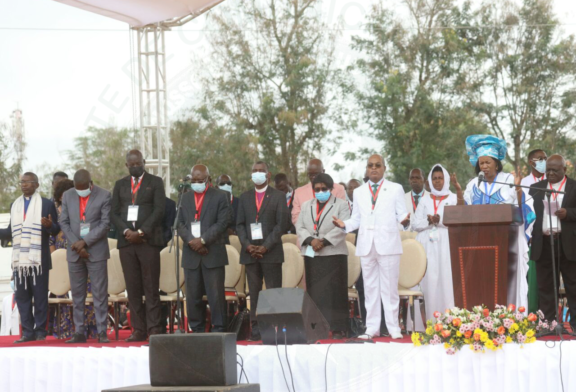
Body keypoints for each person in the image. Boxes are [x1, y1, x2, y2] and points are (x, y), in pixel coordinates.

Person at [333, 155, 409, 340]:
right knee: (370, 288)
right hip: (367, 244)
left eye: (377, 165)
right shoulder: (359, 192)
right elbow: (357, 219)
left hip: (388, 244)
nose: (373, 168)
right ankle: (372, 328)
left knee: (389, 288)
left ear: (384, 168)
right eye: (370, 166)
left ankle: (393, 328)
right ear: (367, 169)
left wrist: (405, 221)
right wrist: (344, 225)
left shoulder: (395, 189)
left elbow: (402, 214)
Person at [453, 134, 534, 309]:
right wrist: (459, 192)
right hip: (478, 244)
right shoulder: (474, 184)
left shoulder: (509, 181)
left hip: (507, 243)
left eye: (487, 162)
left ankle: (512, 315)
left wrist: (519, 190)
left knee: (506, 281)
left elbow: (524, 211)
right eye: (481, 163)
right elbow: (463, 212)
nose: (484, 166)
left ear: (496, 163)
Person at [110, 149, 166, 341]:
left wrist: (141, 232)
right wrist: (127, 232)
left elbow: (160, 210)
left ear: (144, 162)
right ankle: (138, 330)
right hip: (126, 244)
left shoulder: (155, 182)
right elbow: (114, 213)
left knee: (151, 287)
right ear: (127, 165)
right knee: (132, 288)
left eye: (138, 163)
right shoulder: (119, 185)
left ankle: (154, 328)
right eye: (131, 164)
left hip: (148, 242)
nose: (135, 167)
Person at [0, 172, 60, 343]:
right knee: (22, 297)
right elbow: (11, 232)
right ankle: (27, 332)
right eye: (22, 182)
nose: (24, 185)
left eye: (27, 182)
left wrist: (50, 226)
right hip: (20, 262)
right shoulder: (15, 205)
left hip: (38, 260)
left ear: (36, 185)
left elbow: (56, 229)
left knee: (40, 297)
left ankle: (40, 331)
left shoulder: (46, 204)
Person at [236, 161, 288, 341]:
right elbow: (239, 225)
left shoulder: (278, 196)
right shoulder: (244, 197)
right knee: (254, 293)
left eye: (261, 171)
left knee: (273, 292)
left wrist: (265, 246)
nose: (257, 174)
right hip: (250, 253)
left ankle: (276, 329)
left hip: (271, 252)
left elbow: (282, 224)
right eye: (254, 171)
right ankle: (256, 329)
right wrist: (248, 246)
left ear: (268, 175)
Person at [59, 169, 111, 344]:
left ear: (91, 183)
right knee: (77, 294)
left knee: (99, 293)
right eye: (77, 187)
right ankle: (79, 332)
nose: (80, 190)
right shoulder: (67, 195)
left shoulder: (104, 195)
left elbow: (105, 224)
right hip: (75, 252)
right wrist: (77, 243)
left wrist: (85, 242)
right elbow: (63, 222)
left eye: (84, 187)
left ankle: (102, 331)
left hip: (95, 251)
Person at [296, 173, 350, 338]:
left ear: (331, 189)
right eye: (317, 189)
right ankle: (316, 327)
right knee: (315, 291)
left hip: (334, 253)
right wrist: (312, 241)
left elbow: (343, 227)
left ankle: (339, 328)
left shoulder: (341, 205)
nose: (320, 192)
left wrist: (324, 242)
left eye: (323, 189)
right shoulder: (306, 206)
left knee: (335, 292)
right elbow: (300, 226)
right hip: (312, 253)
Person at [178, 165, 230, 333]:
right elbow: (178, 224)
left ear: (208, 178)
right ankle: (197, 328)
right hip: (191, 253)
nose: (197, 184)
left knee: (215, 296)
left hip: (212, 252)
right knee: (193, 296)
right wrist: (192, 242)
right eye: (194, 181)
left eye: (200, 181)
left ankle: (219, 328)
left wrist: (203, 241)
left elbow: (222, 223)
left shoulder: (221, 196)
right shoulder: (184, 198)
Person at [529, 155, 576, 332]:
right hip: (544, 244)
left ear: (564, 170)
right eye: (548, 169)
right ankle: (548, 325)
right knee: (546, 286)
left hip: (568, 244)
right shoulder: (534, 189)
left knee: (573, 285)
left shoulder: (574, 186)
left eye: (555, 170)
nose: (550, 173)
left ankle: (574, 325)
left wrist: (568, 214)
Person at [412, 164, 457, 326]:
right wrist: (428, 220)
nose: (437, 182)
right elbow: (415, 224)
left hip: (446, 244)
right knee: (428, 282)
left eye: (440, 178)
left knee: (447, 281)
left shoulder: (452, 198)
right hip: (427, 245)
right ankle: (429, 323)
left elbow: (458, 220)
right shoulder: (425, 199)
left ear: (445, 180)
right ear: (430, 181)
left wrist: (441, 221)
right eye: (434, 179)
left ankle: (450, 322)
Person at [520, 149, 547, 313]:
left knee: (547, 279)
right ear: (532, 162)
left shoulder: (552, 180)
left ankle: (548, 316)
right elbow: (524, 211)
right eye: (541, 159)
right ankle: (531, 314)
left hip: (551, 233)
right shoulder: (524, 183)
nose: (545, 161)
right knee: (533, 278)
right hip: (531, 235)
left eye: (546, 158)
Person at [48, 179, 76, 338]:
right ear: (58, 197)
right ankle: (64, 330)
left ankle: (84, 328)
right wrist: (55, 260)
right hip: (59, 254)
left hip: (77, 251)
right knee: (61, 292)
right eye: (63, 196)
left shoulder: (80, 210)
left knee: (81, 291)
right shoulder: (54, 212)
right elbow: (51, 237)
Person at [291, 159, 346, 225]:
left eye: (316, 174)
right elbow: (296, 217)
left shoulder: (338, 189)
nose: (313, 177)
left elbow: (342, 215)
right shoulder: (299, 192)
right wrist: (307, 232)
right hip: (307, 233)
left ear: (323, 171)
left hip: (331, 232)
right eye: (310, 175)